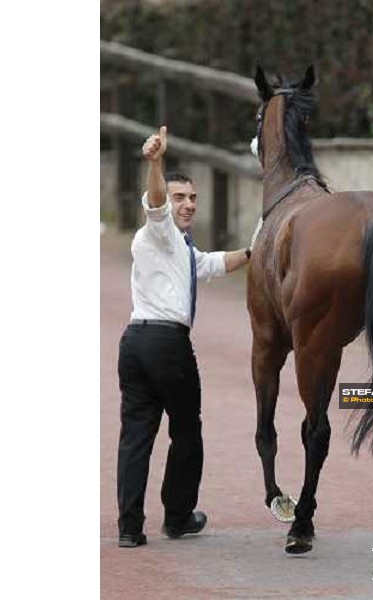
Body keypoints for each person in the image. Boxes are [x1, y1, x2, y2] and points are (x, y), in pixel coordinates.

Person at [116, 125, 251, 548]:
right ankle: (176, 517)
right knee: (187, 432)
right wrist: (154, 163)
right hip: (166, 345)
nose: (188, 204)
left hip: (134, 343)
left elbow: (209, 264)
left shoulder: (180, 247)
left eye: (192, 198)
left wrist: (254, 250)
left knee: (136, 435)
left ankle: (129, 528)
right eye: (181, 197)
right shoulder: (157, 230)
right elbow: (155, 204)